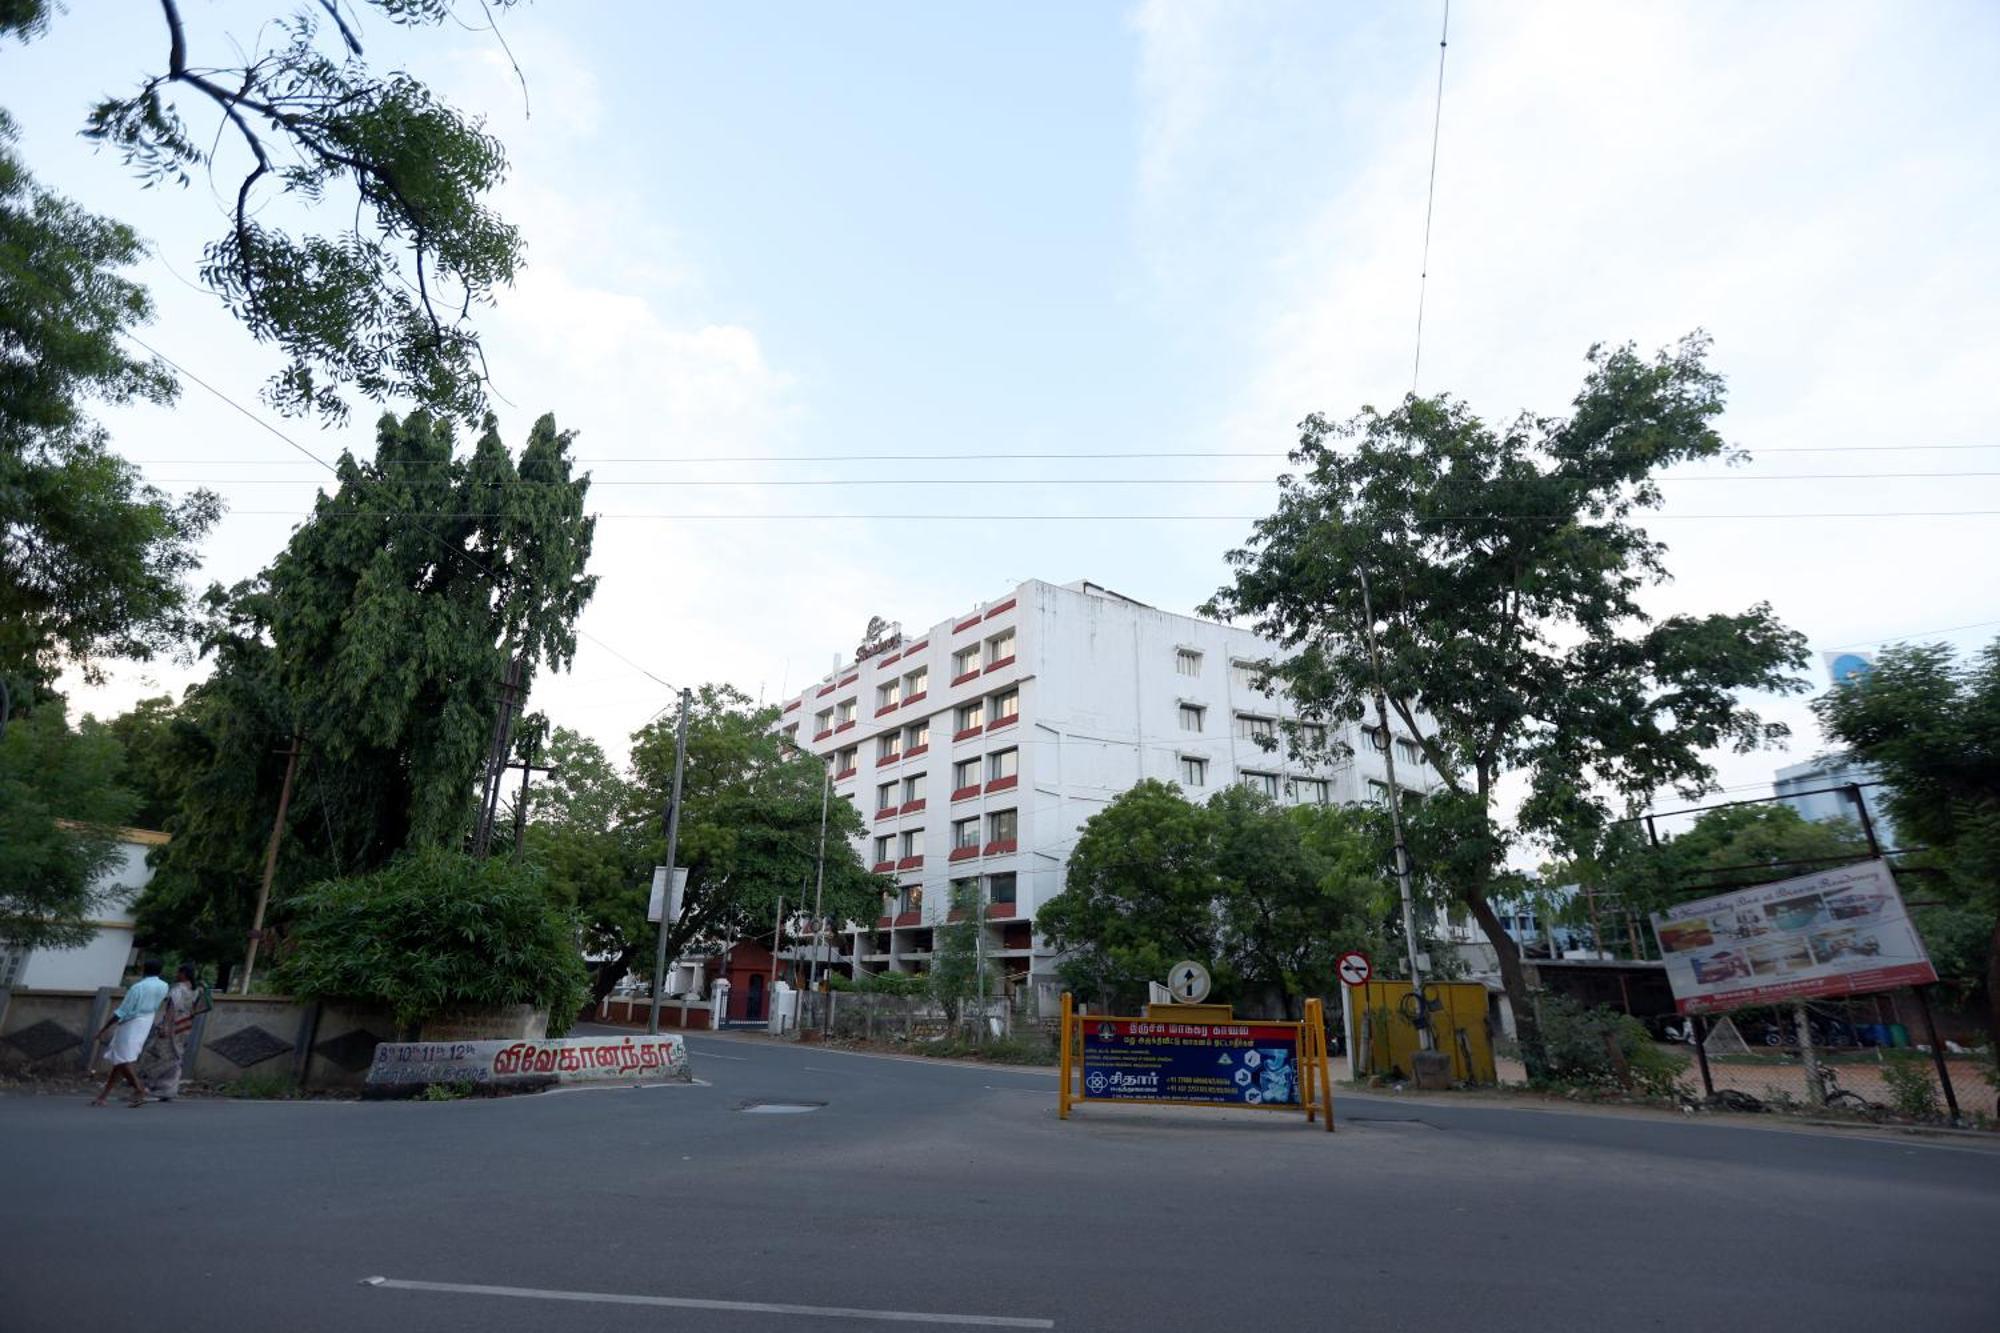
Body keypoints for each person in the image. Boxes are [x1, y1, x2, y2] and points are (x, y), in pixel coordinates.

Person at [91, 959, 169, 1108]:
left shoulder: (138, 987)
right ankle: (103, 1096)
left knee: (123, 1059)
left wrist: (104, 1028)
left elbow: (122, 1011)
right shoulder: (164, 986)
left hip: (132, 1023)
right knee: (121, 1059)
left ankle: (139, 1089)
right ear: (160, 971)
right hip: (146, 1021)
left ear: (144, 970)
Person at [136, 964, 205, 1102]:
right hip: (185, 1027)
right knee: (176, 1057)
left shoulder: (178, 989)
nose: (176, 974)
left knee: (158, 1055)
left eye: (178, 972)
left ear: (184, 973)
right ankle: (169, 1089)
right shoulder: (195, 991)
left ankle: (154, 1087)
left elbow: (171, 1009)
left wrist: (165, 1027)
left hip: (172, 1027)